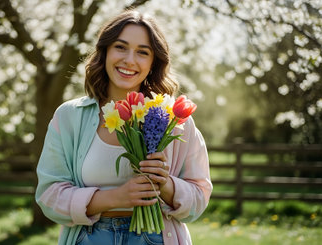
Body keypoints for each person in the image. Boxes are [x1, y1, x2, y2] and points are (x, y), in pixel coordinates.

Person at [35, 10, 212, 245]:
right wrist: (115, 197)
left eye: (142, 52)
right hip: (90, 238)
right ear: (105, 52)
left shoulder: (174, 120)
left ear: (153, 62)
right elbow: (49, 196)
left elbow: (199, 198)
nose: (130, 60)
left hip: (156, 236)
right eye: (120, 47)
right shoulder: (69, 116)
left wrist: (165, 185)